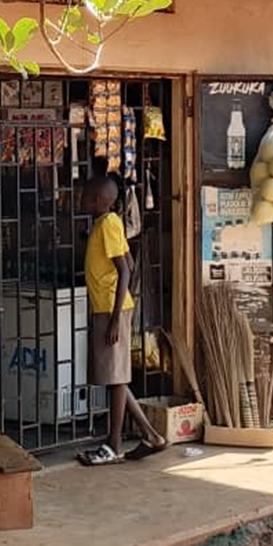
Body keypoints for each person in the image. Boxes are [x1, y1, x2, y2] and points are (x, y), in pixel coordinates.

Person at [77, 174, 168, 466]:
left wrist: (116, 317)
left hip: (111, 310)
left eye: (87, 195)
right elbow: (128, 262)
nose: (81, 199)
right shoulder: (107, 225)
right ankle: (151, 435)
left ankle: (113, 445)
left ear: (100, 200)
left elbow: (125, 271)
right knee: (115, 377)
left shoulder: (108, 225)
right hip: (109, 307)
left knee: (115, 379)